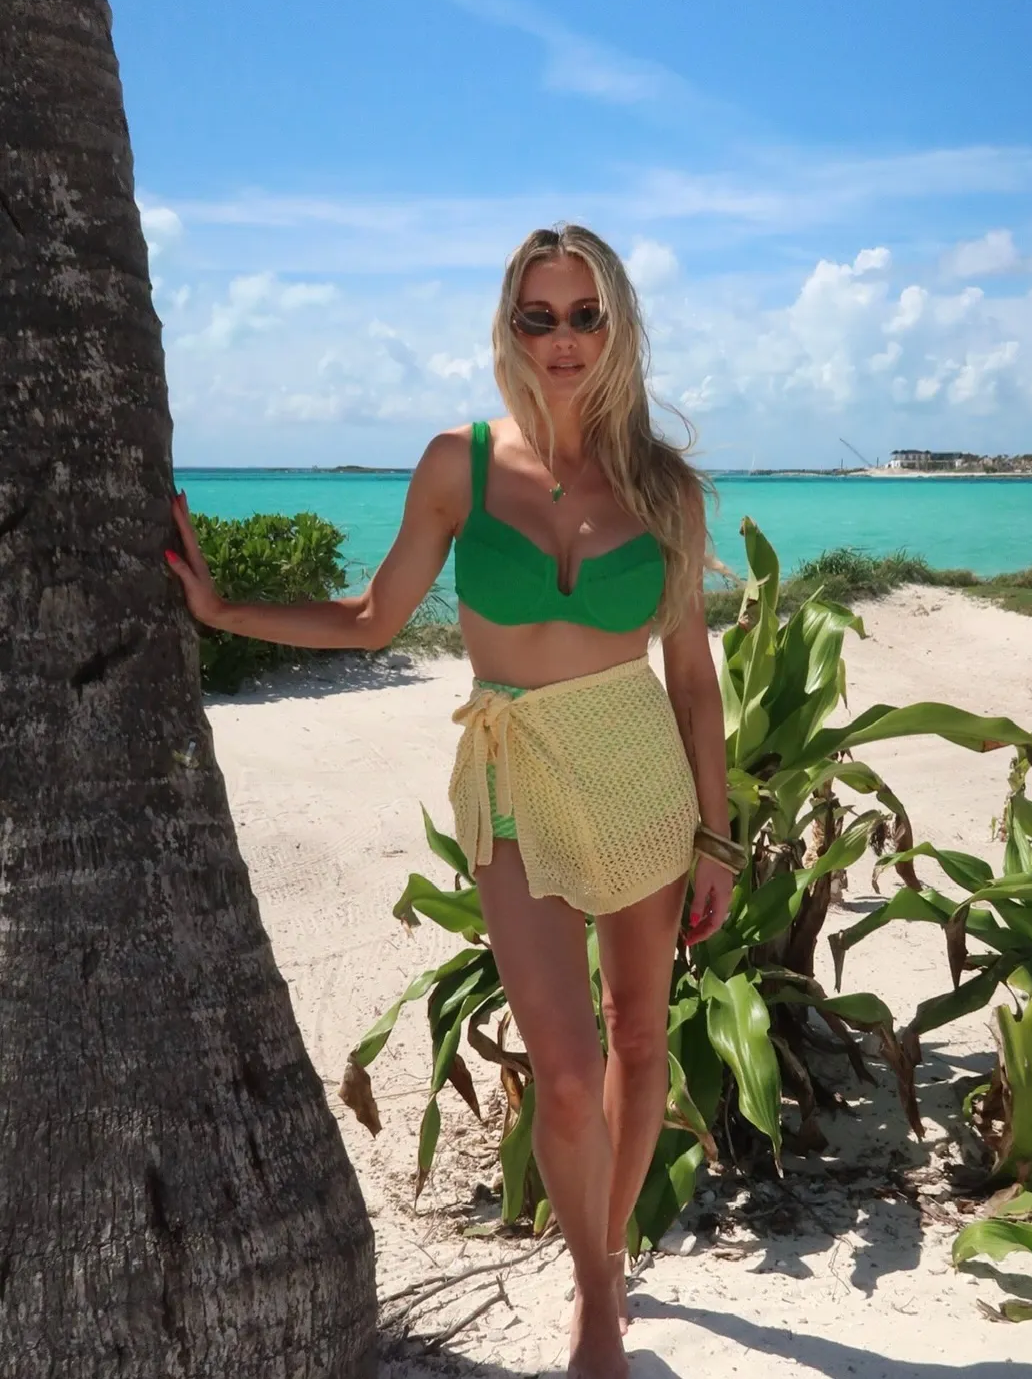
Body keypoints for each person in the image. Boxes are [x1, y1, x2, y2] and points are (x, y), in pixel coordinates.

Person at [164, 223, 744, 1379]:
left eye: (585, 313)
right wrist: (226, 612)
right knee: (568, 1072)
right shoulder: (458, 465)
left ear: (617, 322)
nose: (565, 338)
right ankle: (592, 1297)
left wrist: (716, 835)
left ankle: (610, 1256)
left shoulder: (664, 488)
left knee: (640, 1037)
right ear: (509, 327)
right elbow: (374, 618)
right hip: (515, 773)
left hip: (639, 772)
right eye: (540, 315)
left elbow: (691, 682)